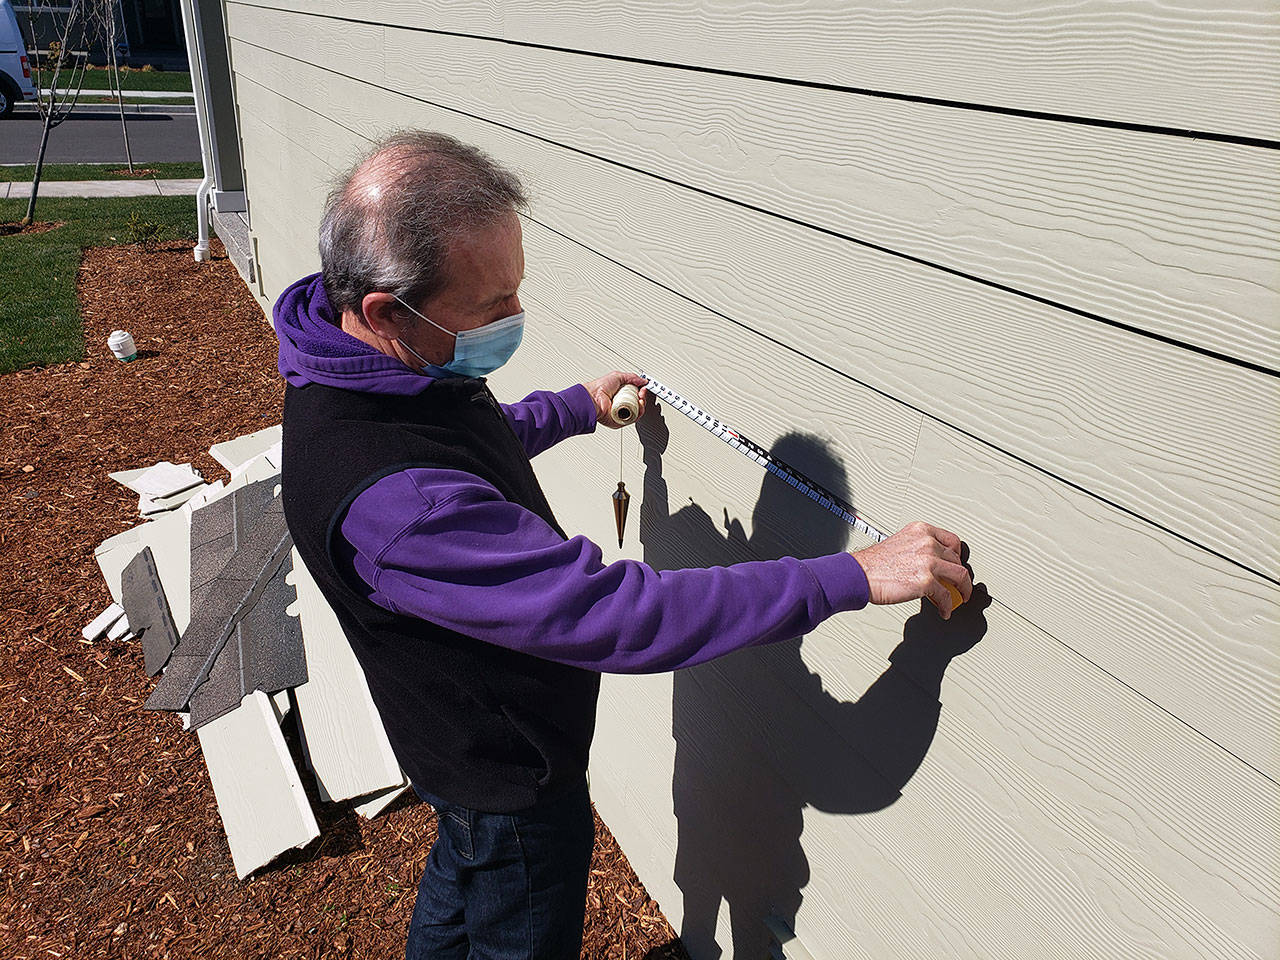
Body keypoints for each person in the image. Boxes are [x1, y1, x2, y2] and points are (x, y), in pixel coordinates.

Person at [275, 129, 973, 960]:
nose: (515, 318)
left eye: (517, 291)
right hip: (512, 774)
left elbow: (465, 437)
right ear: (390, 309)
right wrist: (852, 574)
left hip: (457, 752)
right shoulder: (398, 503)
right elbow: (621, 614)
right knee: (508, 898)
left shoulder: (361, 359)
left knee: (463, 873)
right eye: (493, 305)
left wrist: (569, 409)